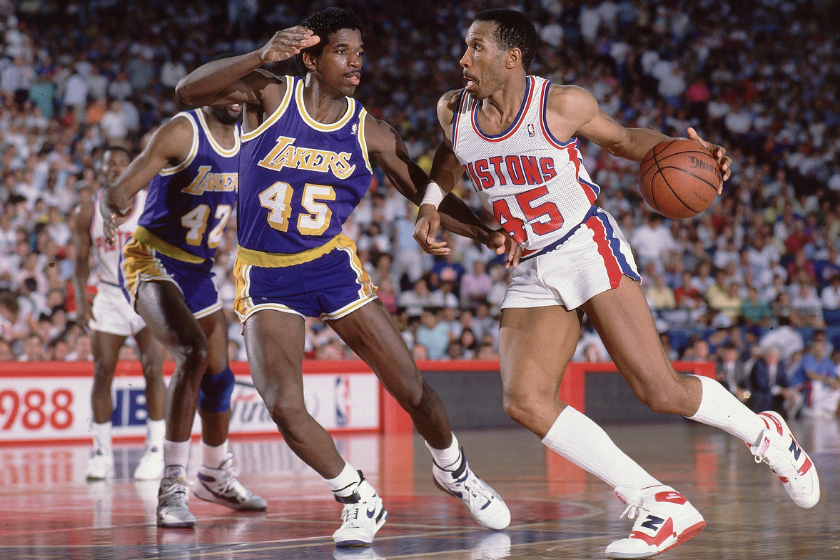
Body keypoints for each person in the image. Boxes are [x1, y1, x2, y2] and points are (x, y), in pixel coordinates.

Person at [413, 9, 819, 559]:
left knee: (658, 390)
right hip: (531, 261)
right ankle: (657, 502)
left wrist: (692, 152)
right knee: (525, 400)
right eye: (465, 47)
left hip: (585, 245)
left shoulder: (559, 105)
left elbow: (627, 140)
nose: (463, 59)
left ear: (511, 57)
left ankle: (765, 433)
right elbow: (450, 157)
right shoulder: (453, 109)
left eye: (476, 48)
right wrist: (434, 202)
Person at [174, 7, 510, 547]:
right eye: (341, 51)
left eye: (360, 53)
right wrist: (262, 54)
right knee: (282, 403)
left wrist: (484, 232)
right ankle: (356, 495)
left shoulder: (370, 131)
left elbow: (422, 190)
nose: (356, 62)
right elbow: (187, 91)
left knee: (413, 390)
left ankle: (456, 472)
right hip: (266, 275)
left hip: (331, 267)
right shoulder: (267, 93)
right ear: (309, 56)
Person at [101, 103, 266, 527]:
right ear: (208, 89)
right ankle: (172, 484)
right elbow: (121, 187)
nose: (236, 96)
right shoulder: (182, 130)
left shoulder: (253, 138)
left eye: (242, 88)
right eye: (226, 85)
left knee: (219, 376)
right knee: (191, 351)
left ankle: (214, 473)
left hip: (197, 270)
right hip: (150, 257)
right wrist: (112, 204)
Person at [72, 146, 167, 481]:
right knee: (102, 371)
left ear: (133, 168)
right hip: (110, 294)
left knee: (154, 368)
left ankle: (156, 451)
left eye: (121, 163)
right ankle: (101, 453)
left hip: (148, 290)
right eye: (107, 163)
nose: (114, 167)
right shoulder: (87, 211)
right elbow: (79, 261)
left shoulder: (150, 203)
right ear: (98, 170)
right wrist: (82, 302)